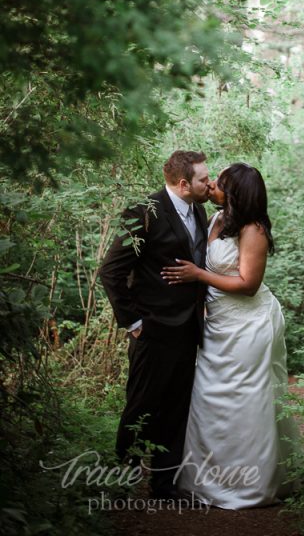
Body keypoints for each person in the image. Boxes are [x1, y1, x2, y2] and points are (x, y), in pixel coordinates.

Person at [161, 162, 298, 509]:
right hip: (218, 324)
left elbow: (248, 286)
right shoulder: (218, 218)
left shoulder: (253, 230)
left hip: (249, 324)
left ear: (234, 192)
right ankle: (208, 478)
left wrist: (198, 276)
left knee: (246, 401)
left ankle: (251, 483)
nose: (211, 187)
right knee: (210, 396)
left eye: (218, 183)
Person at [99, 150, 210, 500]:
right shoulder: (142, 212)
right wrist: (132, 321)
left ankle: (165, 485)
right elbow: (110, 271)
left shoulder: (199, 209)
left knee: (177, 408)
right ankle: (123, 481)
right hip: (152, 328)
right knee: (141, 404)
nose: (210, 183)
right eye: (203, 179)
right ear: (183, 183)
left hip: (188, 327)